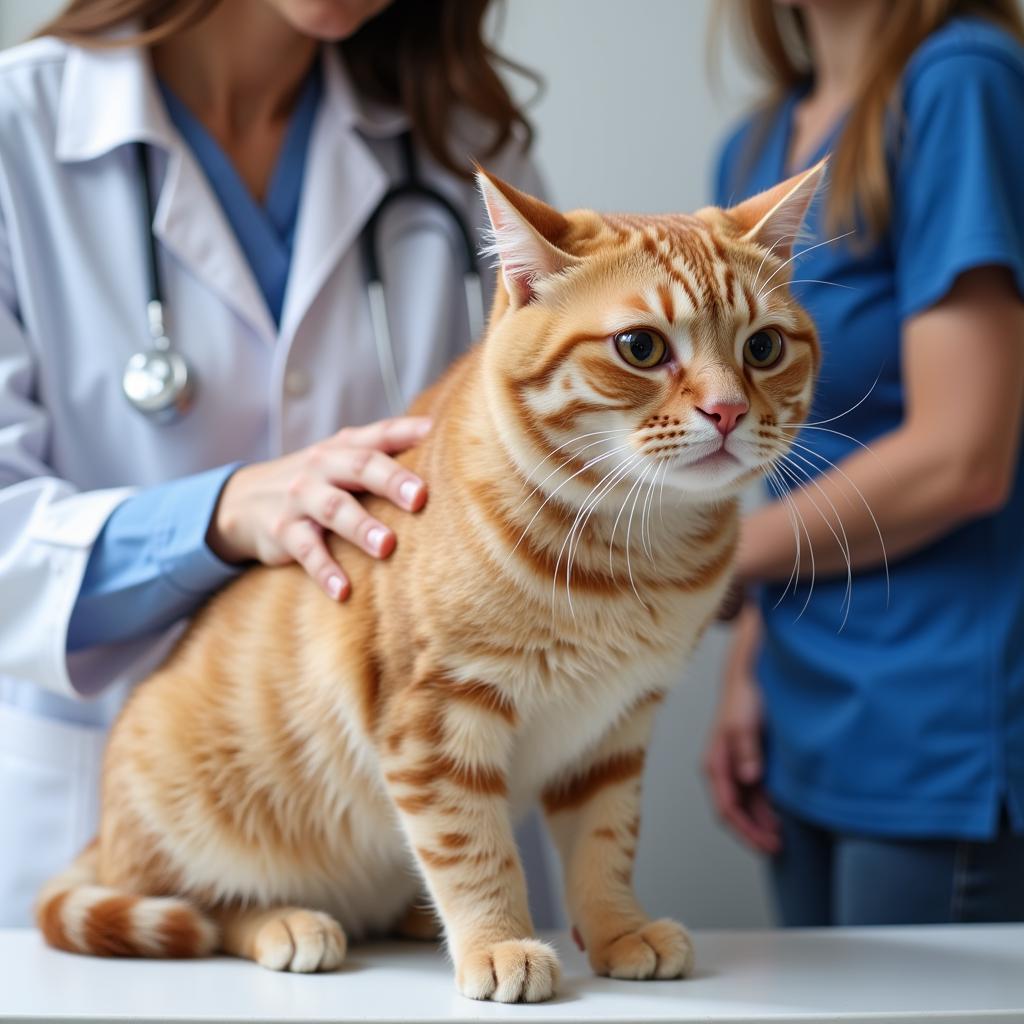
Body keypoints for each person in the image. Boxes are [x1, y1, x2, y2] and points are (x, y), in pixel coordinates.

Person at [0, 0, 548, 927]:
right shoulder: (20, 130)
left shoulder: (461, 148)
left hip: (425, 842)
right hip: (144, 825)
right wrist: (217, 516)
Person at [705, 0, 1024, 926]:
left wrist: (711, 563)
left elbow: (963, 457)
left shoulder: (960, 84)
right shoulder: (756, 146)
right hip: (802, 711)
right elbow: (783, 451)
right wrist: (746, 674)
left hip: (935, 726)